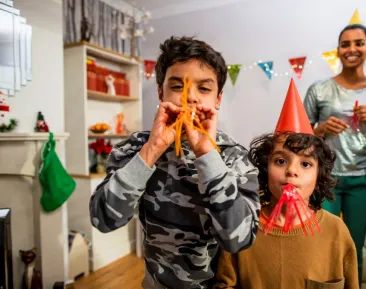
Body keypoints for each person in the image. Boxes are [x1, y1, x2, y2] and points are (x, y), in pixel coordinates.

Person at [89, 36, 261, 289]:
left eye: (203, 88)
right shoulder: (135, 149)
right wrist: (153, 149)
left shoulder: (234, 156)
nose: (190, 97)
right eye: (178, 86)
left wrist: (206, 153)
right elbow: (102, 219)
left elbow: (239, 240)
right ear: (161, 92)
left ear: (218, 99)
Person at [213, 79, 359, 289]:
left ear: (319, 175)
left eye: (306, 164)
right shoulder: (242, 228)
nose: (292, 170)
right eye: (281, 161)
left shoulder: (336, 231)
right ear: (265, 168)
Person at [303, 24, 366, 284]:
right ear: (338, 50)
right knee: (322, 246)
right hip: (325, 180)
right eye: (345, 44)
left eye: (358, 43)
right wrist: (320, 129)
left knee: (352, 247)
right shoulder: (319, 90)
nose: (352, 49)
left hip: (363, 181)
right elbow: (297, 137)